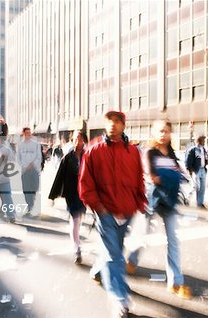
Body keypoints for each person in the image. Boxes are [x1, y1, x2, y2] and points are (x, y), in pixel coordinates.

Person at [79, 111, 146, 318]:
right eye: (110, 121)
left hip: (127, 211)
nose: (113, 125)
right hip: (105, 212)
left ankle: (98, 271)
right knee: (114, 255)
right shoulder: (93, 149)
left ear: (124, 125)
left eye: (118, 121)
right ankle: (119, 300)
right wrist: (98, 206)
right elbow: (85, 183)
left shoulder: (133, 152)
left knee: (113, 251)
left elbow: (138, 179)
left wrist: (139, 203)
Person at [126, 120, 192, 299]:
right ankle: (131, 260)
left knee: (173, 241)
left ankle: (176, 282)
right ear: (154, 133)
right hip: (152, 200)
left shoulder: (171, 153)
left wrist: (177, 175)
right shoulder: (150, 152)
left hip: (169, 201)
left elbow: (179, 172)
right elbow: (152, 175)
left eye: (167, 131)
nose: (163, 134)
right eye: (160, 131)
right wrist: (169, 175)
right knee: (142, 234)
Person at [49, 131, 88, 264]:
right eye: (76, 139)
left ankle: (76, 244)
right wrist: (53, 196)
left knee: (79, 218)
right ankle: (77, 249)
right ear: (73, 141)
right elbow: (60, 177)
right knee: (75, 220)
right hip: (71, 193)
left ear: (84, 140)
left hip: (84, 194)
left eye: (80, 138)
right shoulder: (68, 157)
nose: (78, 141)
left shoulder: (88, 156)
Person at [17, 127, 42, 217]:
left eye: (29, 133)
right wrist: (25, 166)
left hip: (34, 169)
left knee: (34, 187)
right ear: (23, 134)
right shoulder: (20, 145)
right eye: (26, 133)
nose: (28, 134)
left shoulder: (35, 144)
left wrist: (33, 164)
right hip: (25, 171)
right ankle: (29, 205)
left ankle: (32, 201)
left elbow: (39, 156)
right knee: (26, 189)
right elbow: (18, 158)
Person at [185, 135, 208, 209]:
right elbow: (188, 160)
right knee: (195, 186)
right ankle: (187, 199)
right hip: (196, 170)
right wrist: (189, 170)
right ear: (199, 140)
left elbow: (205, 158)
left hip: (202, 170)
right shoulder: (193, 149)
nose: (204, 142)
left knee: (202, 188)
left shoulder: (203, 149)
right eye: (203, 140)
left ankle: (200, 204)